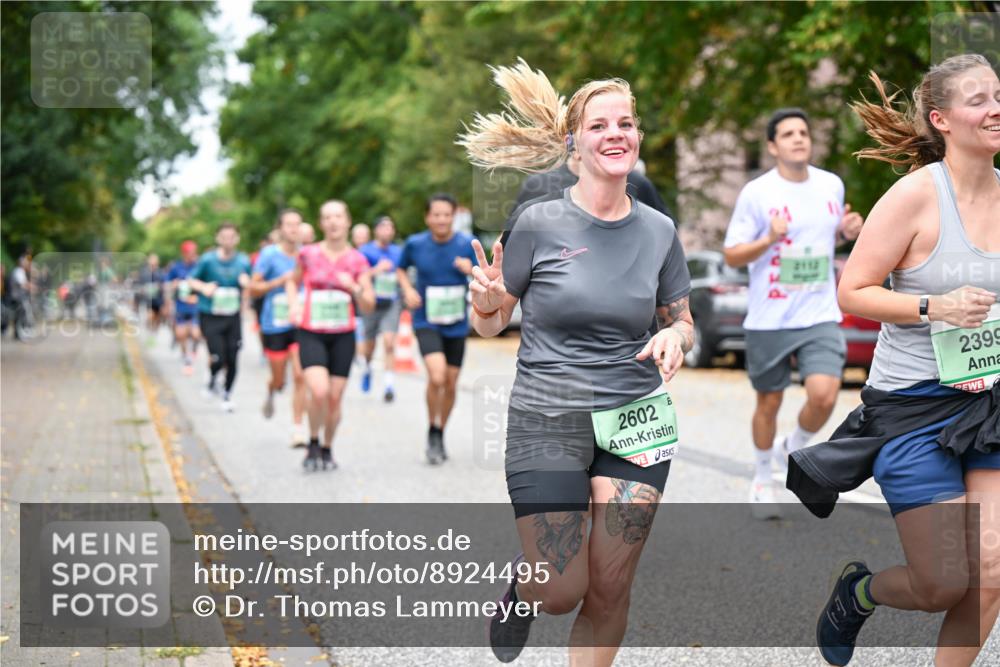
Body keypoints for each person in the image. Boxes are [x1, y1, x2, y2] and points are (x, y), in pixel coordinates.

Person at [457, 59, 693, 665]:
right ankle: (524, 587)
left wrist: (678, 338)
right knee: (562, 590)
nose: (615, 134)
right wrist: (486, 304)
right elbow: (491, 319)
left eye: (626, 123)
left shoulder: (661, 231)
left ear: (637, 137)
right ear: (575, 143)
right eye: (599, 125)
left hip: (636, 418)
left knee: (610, 587)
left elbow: (680, 317)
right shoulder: (539, 222)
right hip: (548, 416)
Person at [787, 54, 999, 667]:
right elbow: (853, 290)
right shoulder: (913, 197)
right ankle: (859, 592)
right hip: (913, 412)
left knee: (990, 565)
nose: (995, 108)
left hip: (988, 405)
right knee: (941, 584)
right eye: (978, 99)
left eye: (999, 95)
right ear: (943, 119)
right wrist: (935, 306)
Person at [722, 107, 864, 519]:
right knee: (769, 402)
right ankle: (763, 477)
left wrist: (846, 231)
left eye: (803, 132)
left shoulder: (830, 186)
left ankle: (793, 445)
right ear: (772, 146)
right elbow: (732, 254)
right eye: (788, 134)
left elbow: (826, 239)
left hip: (819, 311)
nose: (799, 138)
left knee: (824, 394)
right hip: (770, 317)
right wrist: (768, 238)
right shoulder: (757, 193)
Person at [287, 200, 375, 470]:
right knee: (319, 390)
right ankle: (312, 442)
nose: (333, 222)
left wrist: (356, 289)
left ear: (347, 221)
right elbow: (293, 280)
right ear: (321, 223)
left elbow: (369, 304)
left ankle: (326, 448)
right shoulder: (308, 254)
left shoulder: (358, 260)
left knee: (335, 397)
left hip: (343, 336)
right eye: (327, 217)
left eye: (338, 216)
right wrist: (294, 304)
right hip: (312, 332)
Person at [396, 193, 478, 464]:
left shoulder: (466, 244)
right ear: (427, 217)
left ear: (453, 217)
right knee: (437, 376)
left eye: (447, 215)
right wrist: (407, 288)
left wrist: (470, 269)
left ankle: (440, 431)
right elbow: (400, 269)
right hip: (426, 320)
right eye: (436, 214)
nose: (441, 219)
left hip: (456, 323)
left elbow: (484, 275)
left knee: (451, 383)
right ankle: (432, 427)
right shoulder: (415, 244)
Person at [251, 209, 308, 446]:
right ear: (280, 228)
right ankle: (272, 388)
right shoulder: (269, 254)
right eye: (288, 224)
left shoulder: (306, 254)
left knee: (300, 375)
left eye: (297, 224)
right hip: (274, 323)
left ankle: (297, 428)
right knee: (280, 379)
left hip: (300, 320)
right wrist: (280, 281)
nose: (293, 229)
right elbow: (254, 288)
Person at [189, 223, 252, 412]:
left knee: (233, 356)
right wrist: (203, 288)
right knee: (218, 355)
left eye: (232, 237)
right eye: (224, 237)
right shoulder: (207, 260)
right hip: (210, 315)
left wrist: (247, 285)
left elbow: (251, 286)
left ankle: (226, 394)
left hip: (232, 316)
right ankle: (212, 376)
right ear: (218, 238)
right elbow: (191, 280)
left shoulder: (243, 261)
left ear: (237, 239)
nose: (228, 240)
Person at [358, 215, 404, 402]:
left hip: (391, 303)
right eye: (383, 227)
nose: (387, 230)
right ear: (376, 230)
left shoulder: (399, 251)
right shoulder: (365, 250)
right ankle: (367, 367)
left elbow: (402, 273)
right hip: (371, 303)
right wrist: (376, 270)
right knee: (369, 345)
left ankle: (389, 385)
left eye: (390, 227)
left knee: (389, 342)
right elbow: (359, 275)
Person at [165, 241, 203, 374]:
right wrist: (173, 285)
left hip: (196, 306)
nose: (193, 255)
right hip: (181, 306)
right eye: (190, 252)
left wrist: (199, 294)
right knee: (181, 334)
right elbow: (167, 284)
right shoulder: (176, 267)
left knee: (196, 334)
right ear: (184, 253)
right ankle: (185, 356)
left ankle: (193, 352)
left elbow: (205, 283)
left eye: (194, 252)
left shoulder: (199, 266)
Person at [136, 254, 166, 342]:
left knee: (157, 318)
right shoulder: (144, 273)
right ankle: (150, 328)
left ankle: (154, 330)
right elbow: (139, 285)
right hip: (148, 299)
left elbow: (164, 283)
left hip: (158, 299)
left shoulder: (160, 272)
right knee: (150, 315)